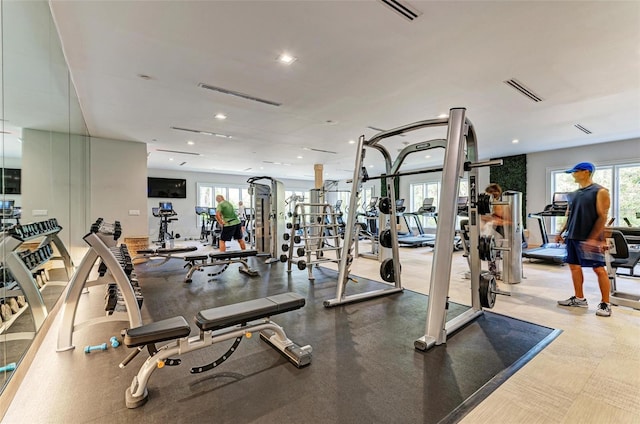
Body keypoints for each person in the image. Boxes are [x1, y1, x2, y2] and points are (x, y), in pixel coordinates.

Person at [555, 162, 611, 317]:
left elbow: (602, 217)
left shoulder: (600, 191)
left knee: (599, 269)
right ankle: (579, 298)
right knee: (574, 267)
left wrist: (594, 239)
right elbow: (570, 216)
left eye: (575, 172)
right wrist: (561, 232)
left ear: (586, 172)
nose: (573, 175)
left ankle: (606, 303)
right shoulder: (573, 194)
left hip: (589, 238)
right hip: (573, 236)